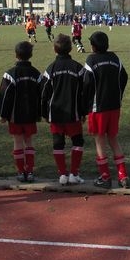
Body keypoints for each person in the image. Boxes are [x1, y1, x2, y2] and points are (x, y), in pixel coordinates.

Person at [83, 31, 129, 188]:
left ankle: (105, 177)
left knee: (100, 140)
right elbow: (124, 77)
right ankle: (123, 175)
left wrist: (86, 103)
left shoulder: (91, 60)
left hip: (98, 108)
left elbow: (86, 83)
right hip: (114, 106)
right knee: (113, 139)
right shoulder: (115, 58)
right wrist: (118, 95)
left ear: (93, 46)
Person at [41, 34, 87, 185]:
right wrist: (83, 112)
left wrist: (44, 113)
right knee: (78, 142)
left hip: (55, 113)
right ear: (71, 48)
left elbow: (44, 93)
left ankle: (62, 174)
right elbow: (84, 92)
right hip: (73, 112)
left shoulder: (50, 69)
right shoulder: (78, 68)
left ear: (54, 49)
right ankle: (74, 173)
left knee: (58, 143)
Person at [0, 41, 43, 182]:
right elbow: (42, 95)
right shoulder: (36, 73)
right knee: (29, 141)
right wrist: (40, 112)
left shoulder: (10, 74)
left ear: (16, 55)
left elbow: (4, 96)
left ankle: (20, 171)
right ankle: (30, 171)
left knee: (17, 141)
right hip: (30, 115)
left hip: (14, 116)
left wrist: (3, 114)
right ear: (31, 55)